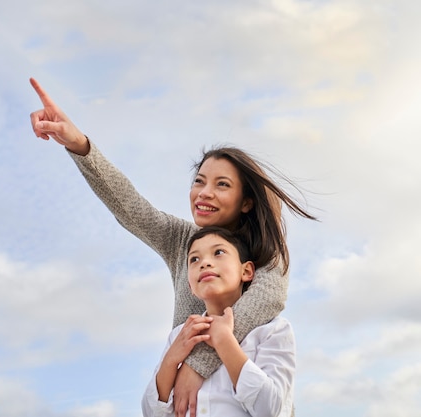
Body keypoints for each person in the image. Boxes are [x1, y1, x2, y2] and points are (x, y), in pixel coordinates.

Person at [29, 77, 315, 417]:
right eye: (199, 181)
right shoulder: (182, 241)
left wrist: (195, 366)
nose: (204, 193)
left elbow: (263, 303)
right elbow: (132, 208)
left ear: (246, 202)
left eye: (222, 185)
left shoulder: (267, 253)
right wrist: (79, 144)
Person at [142, 226, 295, 417]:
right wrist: (171, 360)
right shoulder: (179, 335)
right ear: (190, 285)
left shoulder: (273, 330)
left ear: (246, 271)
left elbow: (270, 409)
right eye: (194, 259)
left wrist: (224, 341)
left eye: (218, 252)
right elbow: (151, 412)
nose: (204, 263)